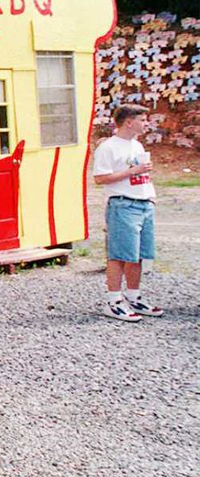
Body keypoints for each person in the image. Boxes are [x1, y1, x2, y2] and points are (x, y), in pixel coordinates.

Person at [92, 103, 162, 322]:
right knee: (119, 254)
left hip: (143, 203)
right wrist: (132, 171)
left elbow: (141, 175)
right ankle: (113, 300)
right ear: (128, 122)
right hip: (123, 205)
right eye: (142, 120)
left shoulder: (137, 146)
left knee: (138, 254)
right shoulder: (108, 147)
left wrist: (150, 195)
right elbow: (100, 178)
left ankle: (133, 295)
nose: (146, 124)